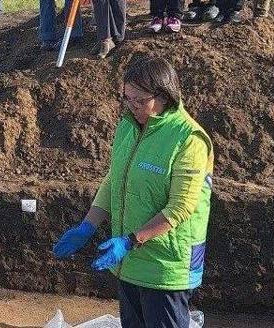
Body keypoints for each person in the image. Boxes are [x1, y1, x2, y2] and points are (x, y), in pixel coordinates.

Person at [52, 55, 214, 328]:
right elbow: (114, 179)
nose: (134, 107)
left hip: (166, 267)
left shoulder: (189, 139)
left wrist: (129, 241)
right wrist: (87, 226)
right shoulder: (128, 127)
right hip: (131, 264)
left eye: (141, 101)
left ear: (164, 96)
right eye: (128, 99)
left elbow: (180, 208)